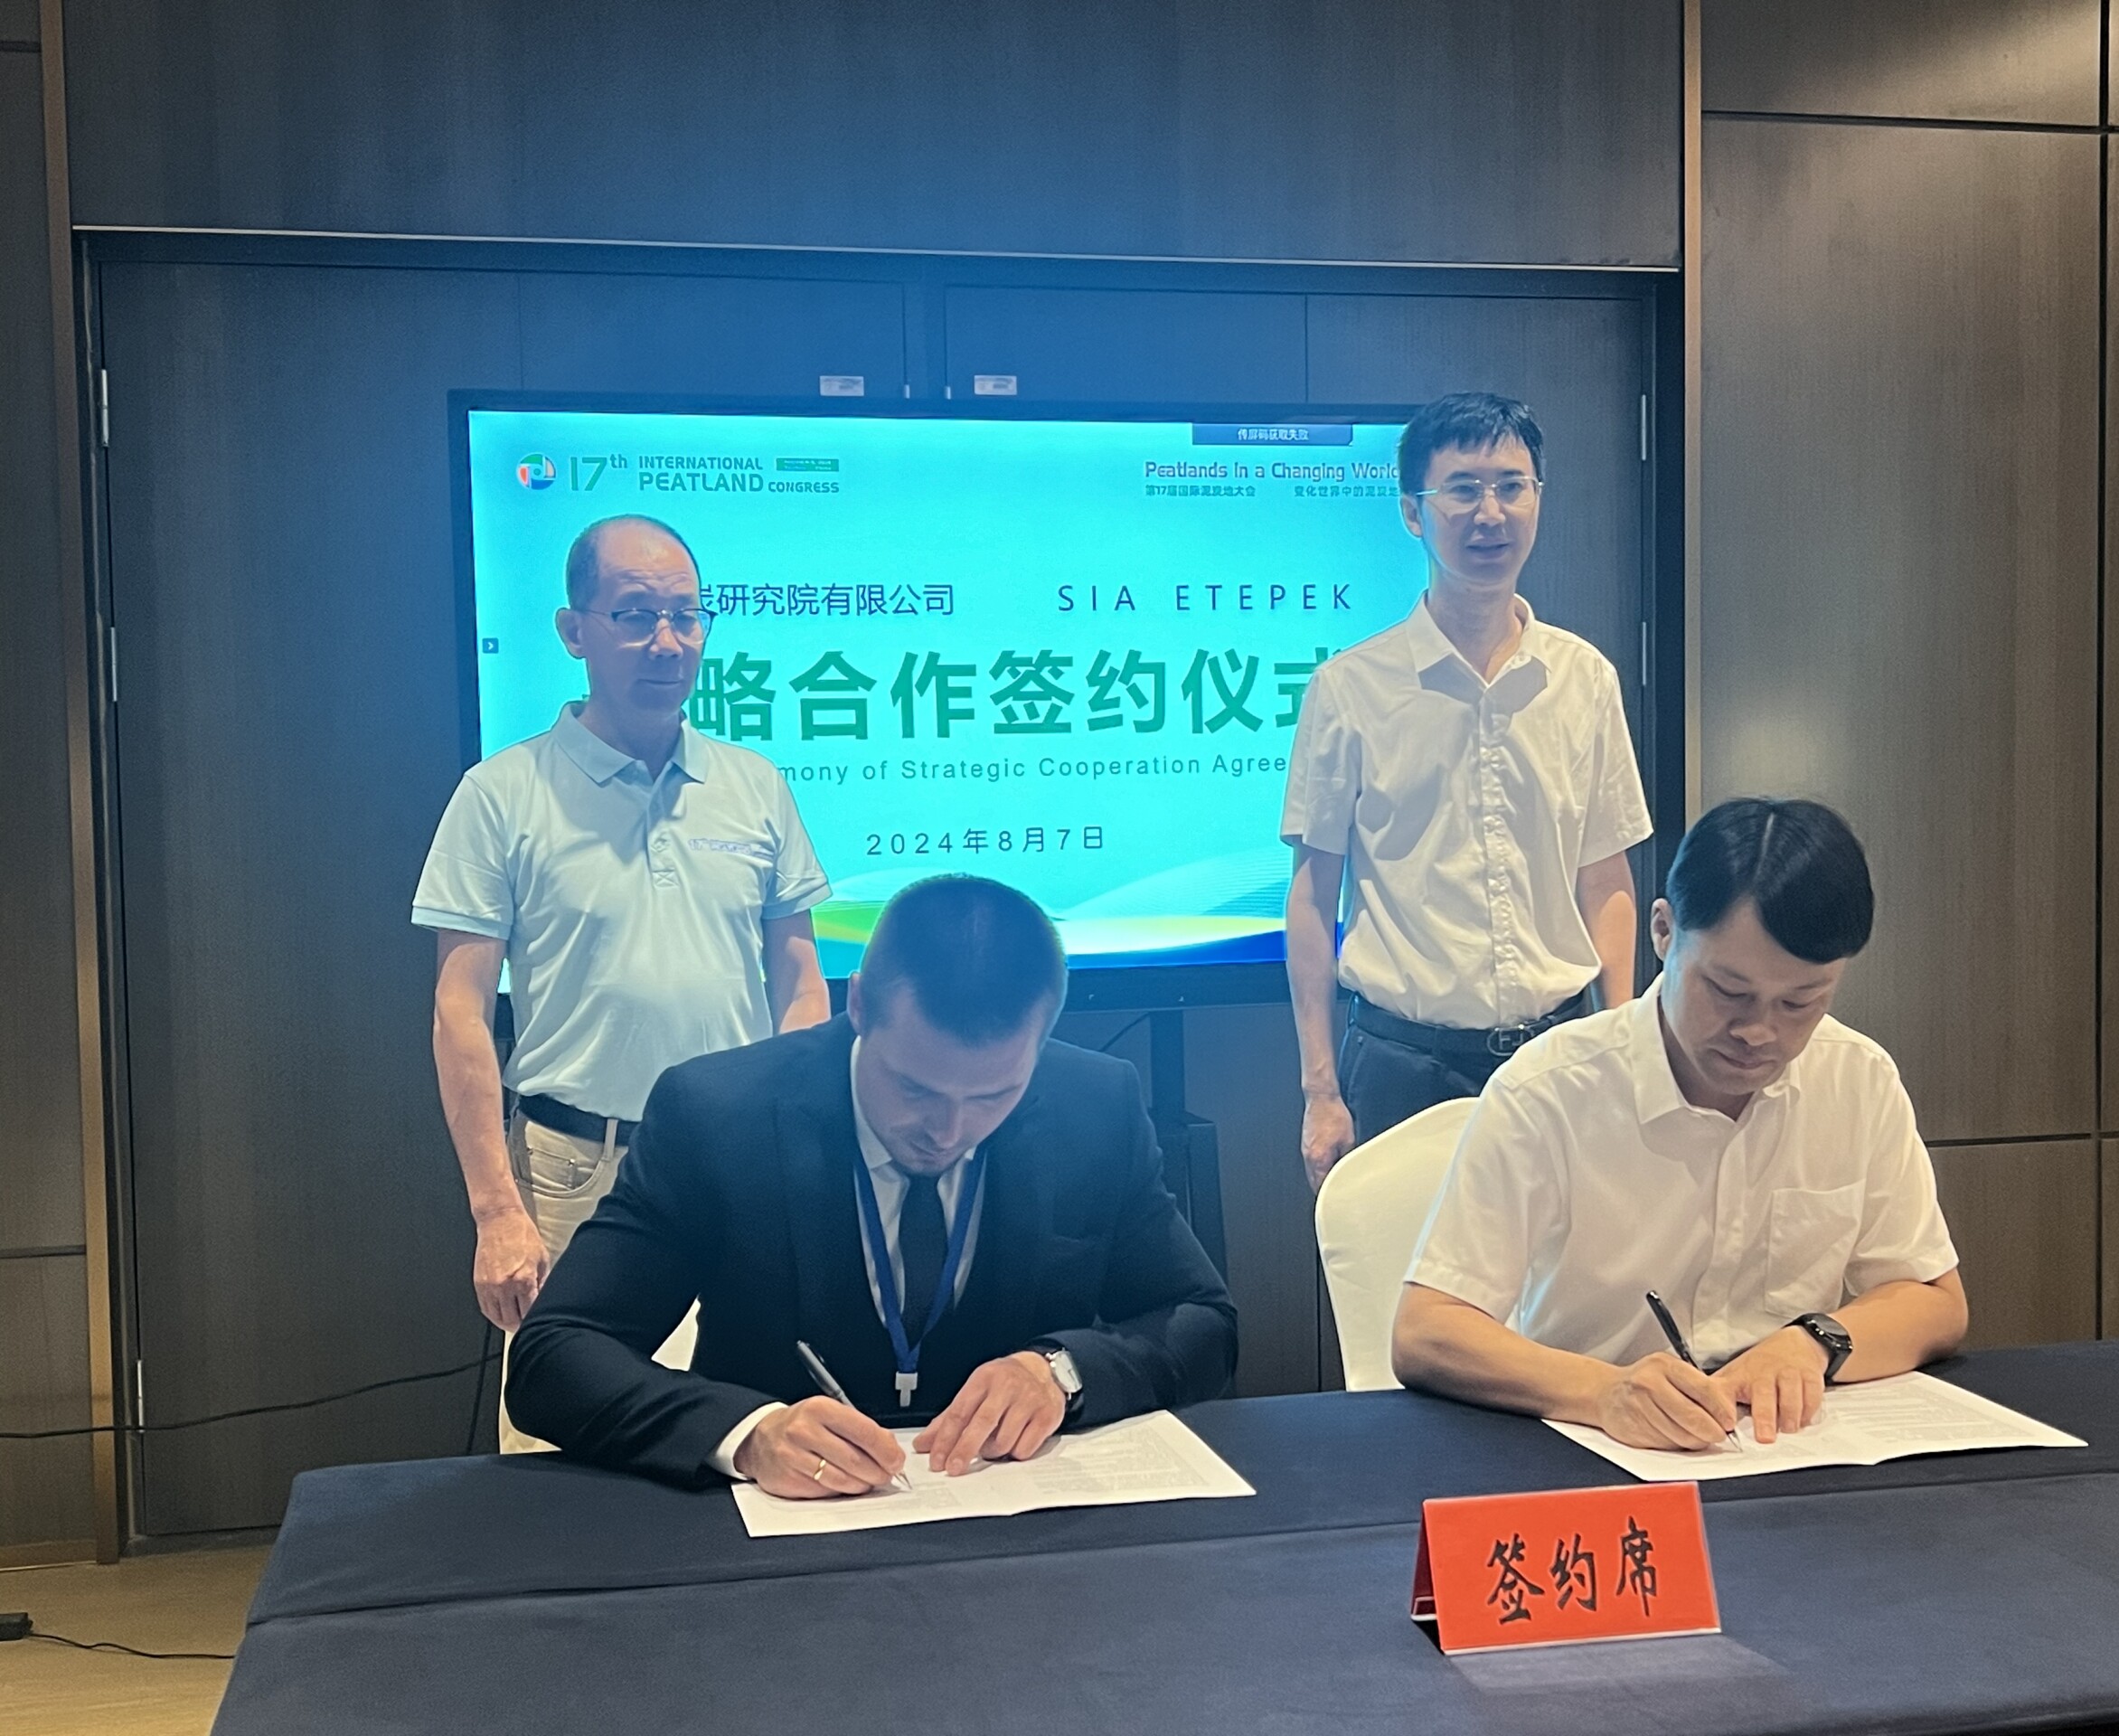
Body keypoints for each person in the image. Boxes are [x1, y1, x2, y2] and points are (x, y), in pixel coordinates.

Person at [505, 874, 1238, 1494]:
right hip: (788, 1538)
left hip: (1013, 1524)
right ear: (858, 1005)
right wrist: (749, 1433)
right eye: (915, 1089)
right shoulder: (721, 1115)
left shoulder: (1095, 1104)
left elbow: (1201, 1321)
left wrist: (1062, 1372)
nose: (948, 1131)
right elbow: (556, 1355)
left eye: (991, 1097)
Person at [415, 514, 831, 1450]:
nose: (667, 642)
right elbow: (459, 1014)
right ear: (574, 632)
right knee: (569, 1458)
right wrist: (496, 1214)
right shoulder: (501, 794)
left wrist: (804, 1145)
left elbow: (800, 976)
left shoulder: (753, 785)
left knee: (756, 1441)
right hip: (575, 1174)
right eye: (636, 614)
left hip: (741, 1171)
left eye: (686, 616)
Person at [1391, 797, 1968, 1449]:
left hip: (1785, 1459)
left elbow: (1933, 1299)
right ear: (1663, 933)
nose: (1759, 1032)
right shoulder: (1550, 1091)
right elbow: (1425, 1330)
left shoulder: (1857, 1079)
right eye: (1727, 991)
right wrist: (1601, 1391)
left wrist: (1814, 1341)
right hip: (1594, 1456)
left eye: (1800, 1002)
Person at [1282, 392, 1653, 1193]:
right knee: (1403, 1306)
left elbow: (1606, 878)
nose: (1490, 513)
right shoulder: (1348, 689)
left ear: (1539, 500)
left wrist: (1622, 1046)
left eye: (1512, 486)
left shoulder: (1584, 680)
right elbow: (1314, 896)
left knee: (1560, 1307)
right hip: (1399, 1067)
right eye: (1462, 489)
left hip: (1561, 1055)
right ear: (1414, 513)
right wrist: (1320, 1090)